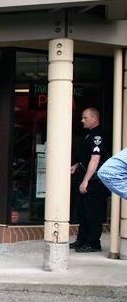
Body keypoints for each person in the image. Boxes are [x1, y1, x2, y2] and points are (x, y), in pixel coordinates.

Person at [69, 108, 111, 253]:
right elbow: (87, 158)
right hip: (87, 178)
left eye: (85, 118)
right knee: (83, 212)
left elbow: (95, 159)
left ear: (94, 119)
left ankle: (93, 243)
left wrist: (86, 180)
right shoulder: (89, 135)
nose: (82, 120)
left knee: (93, 213)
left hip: (94, 182)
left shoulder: (98, 135)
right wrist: (77, 165)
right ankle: (82, 240)